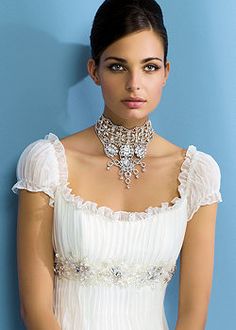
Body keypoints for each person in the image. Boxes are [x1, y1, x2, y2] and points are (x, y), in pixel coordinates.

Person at [11, 0, 223, 329]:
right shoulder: (47, 164)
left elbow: (193, 316)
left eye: (149, 67)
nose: (134, 83)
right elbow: (35, 310)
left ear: (166, 72)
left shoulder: (197, 175)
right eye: (117, 66)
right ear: (94, 71)